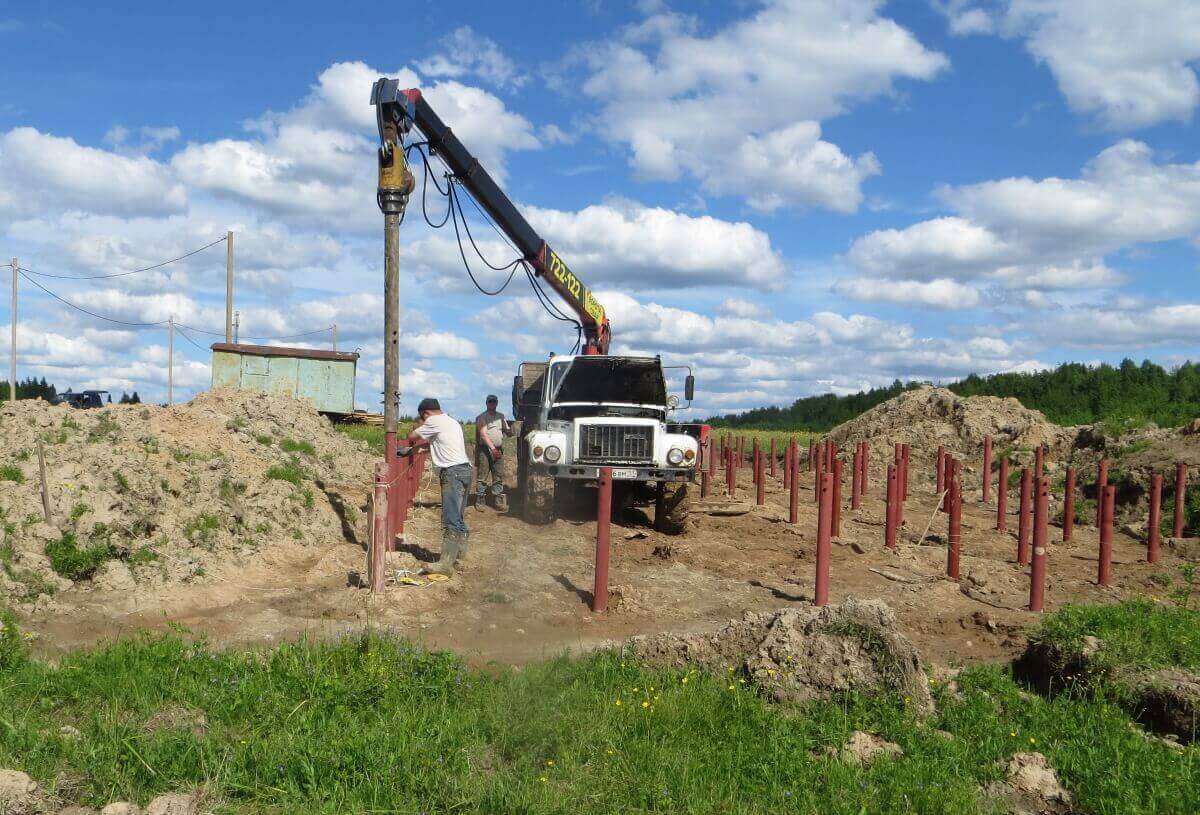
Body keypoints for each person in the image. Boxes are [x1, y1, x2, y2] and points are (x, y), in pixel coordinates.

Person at [402, 397, 472, 576]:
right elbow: (434, 444)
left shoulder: (433, 421)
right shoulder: (451, 421)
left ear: (425, 413)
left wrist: (415, 429)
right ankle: (460, 557)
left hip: (453, 473)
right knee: (458, 516)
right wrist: (412, 451)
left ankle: (445, 564)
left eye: (423, 418)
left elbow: (412, 436)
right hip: (465, 471)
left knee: (451, 519)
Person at [474, 394, 511, 511]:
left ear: (497, 403)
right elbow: (484, 435)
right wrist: (493, 449)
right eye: (490, 402)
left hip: (498, 449)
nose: (492, 403)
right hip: (485, 450)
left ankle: (498, 501)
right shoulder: (481, 417)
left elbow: (507, 430)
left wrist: (511, 430)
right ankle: (480, 500)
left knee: (498, 475)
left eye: (494, 402)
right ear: (486, 403)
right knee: (482, 476)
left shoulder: (501, 416)